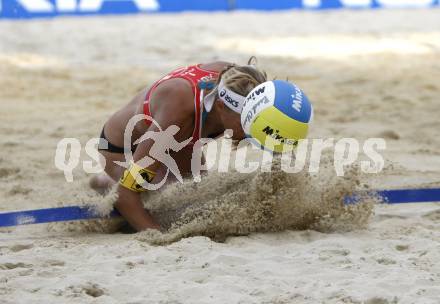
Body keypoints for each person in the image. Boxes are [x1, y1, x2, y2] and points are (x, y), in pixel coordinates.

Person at [90, 57, 267, 231]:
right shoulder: (178, 115)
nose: (251, 128)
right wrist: (161, 236)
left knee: (200, 196)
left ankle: (119, 178)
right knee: (171, 203)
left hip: (178, 140)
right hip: (122, 149)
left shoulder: (238, 80)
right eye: (246, 121)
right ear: (220, 107)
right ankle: (105, 181)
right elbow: (126, 195)